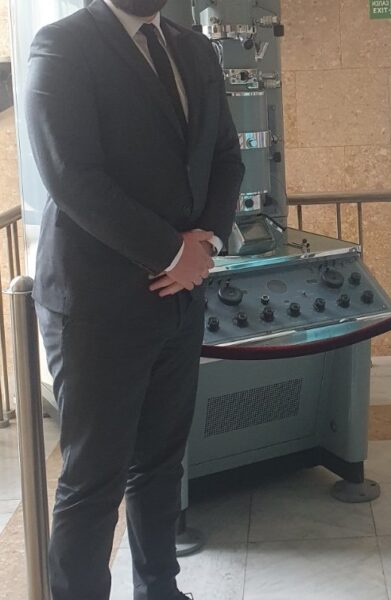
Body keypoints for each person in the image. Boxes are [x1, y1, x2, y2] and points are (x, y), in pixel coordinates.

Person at [25, 0, 244, 598]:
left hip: (180, 298)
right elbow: (72, 175)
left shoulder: (195, 49)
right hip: (97, 305)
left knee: (162, 464)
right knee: (93, 479)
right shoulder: (62, 45)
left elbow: (225, 156)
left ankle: (159, 590)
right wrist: (172, 253)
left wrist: (207, 242)